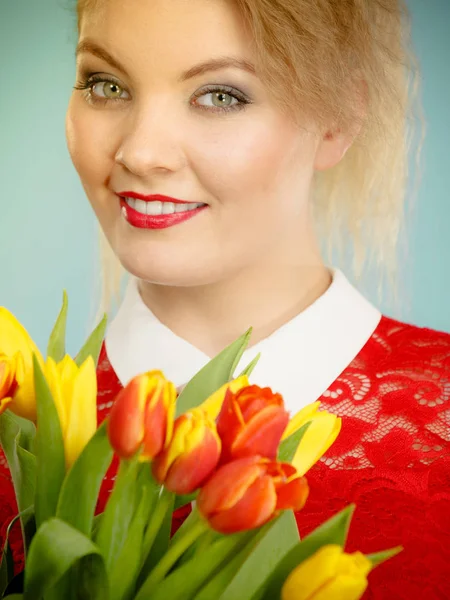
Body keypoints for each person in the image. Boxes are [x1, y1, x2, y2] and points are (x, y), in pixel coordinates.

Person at [1, 0, 449, 597]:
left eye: (220, 96)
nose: (140, 153)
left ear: (339, 119)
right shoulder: (17, 429)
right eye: (106, 85)